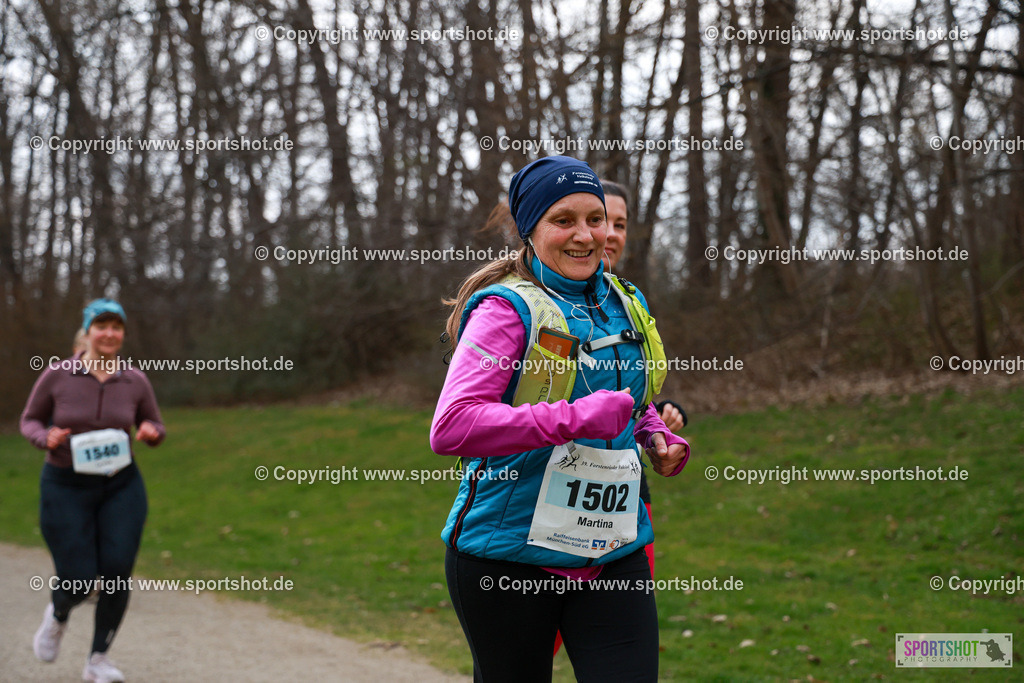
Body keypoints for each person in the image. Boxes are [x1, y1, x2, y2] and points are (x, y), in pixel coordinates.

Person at [431, 156, 690, 682]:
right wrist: (576, 418)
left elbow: (631, 402)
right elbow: (453, 425)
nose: (586, 235)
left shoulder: (625, 301)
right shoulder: (507, 311)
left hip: (613, 546)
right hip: (508, 558)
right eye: (563, 220)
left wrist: (655, 435)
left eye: (595, 219)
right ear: (530, 230)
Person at [20, 299, 165, 683]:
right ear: (87, 332)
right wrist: (44, 436)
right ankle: (58, 614)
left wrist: (151, 433)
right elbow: (30, 420)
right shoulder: (57, 374)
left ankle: (98, 659)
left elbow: (154, 422)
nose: (109, 333)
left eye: (117, 327)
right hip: (65, 485)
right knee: (79, 579)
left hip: (121, 485)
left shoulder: (135, 379)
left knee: (117, 572)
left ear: (123, 335)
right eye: (101, 326)